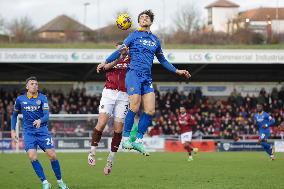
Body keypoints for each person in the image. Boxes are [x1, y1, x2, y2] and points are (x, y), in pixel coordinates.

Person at [99, 10, 190, 156]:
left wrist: (177, 70)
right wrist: (105, 61)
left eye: (147, 17)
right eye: (141, 17)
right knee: (134, 105)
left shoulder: (155, 40)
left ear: (151, 21)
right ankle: (126, 139)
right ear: (139, 22)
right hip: (133, 74)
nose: (144, 18)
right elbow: (119, 51)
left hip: (147, 77)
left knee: (150, 110)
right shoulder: (133, 36)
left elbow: (162, 60)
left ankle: (139, 141)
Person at [10, 76, 69, 189]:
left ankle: (60, 181)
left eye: (36, 84)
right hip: (28, 133)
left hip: (42, 131)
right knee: (32, 157)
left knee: (52, 156)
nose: (35, 85)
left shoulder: (43, 98)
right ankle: (45, 182)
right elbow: (14, 116)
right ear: (27, 86)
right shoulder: (20, 99)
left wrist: (40, 120)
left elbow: (47, 115)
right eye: (32, 83)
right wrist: (13, 131)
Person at [88, 42, 130, 175]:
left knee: (118, 130)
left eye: (124, 47)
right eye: (119, 47)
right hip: (109, 93)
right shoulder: (111, 58)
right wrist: (118, 57)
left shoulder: (132, 60)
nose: (122, 48)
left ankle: (110, 160)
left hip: (124, 95)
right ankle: (92, 153)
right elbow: (105, 68)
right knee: (101, 123)